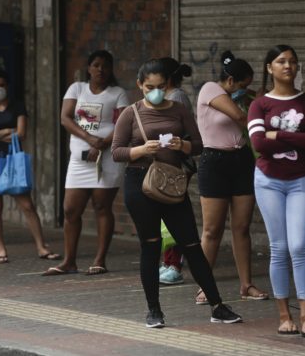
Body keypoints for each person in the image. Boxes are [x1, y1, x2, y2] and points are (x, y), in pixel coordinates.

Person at [112, 58, 242, 328]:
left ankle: (217, 305)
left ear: (167, 85)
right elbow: (116, 152)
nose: (155, 92)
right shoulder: (131, 113)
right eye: (149, 87)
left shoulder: (179, 110)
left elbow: (198, 145)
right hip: (140, 183)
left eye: (160, 86)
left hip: (172, 183)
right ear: (140, 86)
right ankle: (154, 310)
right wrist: (141, 150)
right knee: (151, 246)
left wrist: (181, 144)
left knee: (192, 245)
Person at [247, 45, 305, 337]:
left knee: (299, 247)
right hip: (268, 180)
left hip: (301, 180)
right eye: (281, 61)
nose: (288, 66)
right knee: (279, 248)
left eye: (293, 62)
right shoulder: (259, 105)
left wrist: (279, 134)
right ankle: (284, 315)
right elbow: (258, 144)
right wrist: (298, 139)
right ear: (269, 67)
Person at [43, 50, 128, 276]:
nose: (100, 69)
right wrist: (90, 139)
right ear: (88, 68)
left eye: (105, 66)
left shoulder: (117, 93)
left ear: (111, 70)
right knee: (70, 210)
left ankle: (99, 260)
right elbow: (65, 118)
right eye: (96, 65)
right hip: (79, 160)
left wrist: (101, 144)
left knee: (102, 207)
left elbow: (122, 125)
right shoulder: (76, 88)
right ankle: (69, 261)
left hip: (106, 159)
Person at [195, 50, 268, 305]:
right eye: (243, 85)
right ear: (231, 81)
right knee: (212, 230)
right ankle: (205, 287)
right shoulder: (210, 89)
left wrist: (254, 100)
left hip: (241, 160)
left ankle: (247, 285)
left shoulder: (242, 98)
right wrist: (259, 108)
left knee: (242, 228)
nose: (245, 90)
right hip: (214, 162)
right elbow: (239, 117)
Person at [0, 69, 60, 264]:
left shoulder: (18, 107)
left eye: (2, 85)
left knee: (27, 204)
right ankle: (1, 249)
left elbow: (22, 133)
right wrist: (6, 130)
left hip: (14, 159)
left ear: (8, 86)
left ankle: (41, 246)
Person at [158, 57, 195, 285]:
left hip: (177, 163)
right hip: (168, 162)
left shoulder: (176, 97)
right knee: (166, 213)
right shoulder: (168, 96)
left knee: (173, 213)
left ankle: (174, 263)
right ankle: (168, 261)